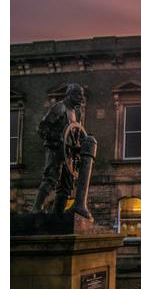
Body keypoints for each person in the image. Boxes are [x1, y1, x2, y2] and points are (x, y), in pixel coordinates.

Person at [31, 83, 86, 215]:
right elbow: (42, 128)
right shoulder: (59, 107)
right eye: (79, 94)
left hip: (68, 154)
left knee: (66, 184)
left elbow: (76, 134)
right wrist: (57, 139)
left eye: (82, 95)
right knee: (50, 178)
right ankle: (36, 209)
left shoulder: (77, 113)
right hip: (55, 149)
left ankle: (58, 213)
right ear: (70, 94)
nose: (81, 98)